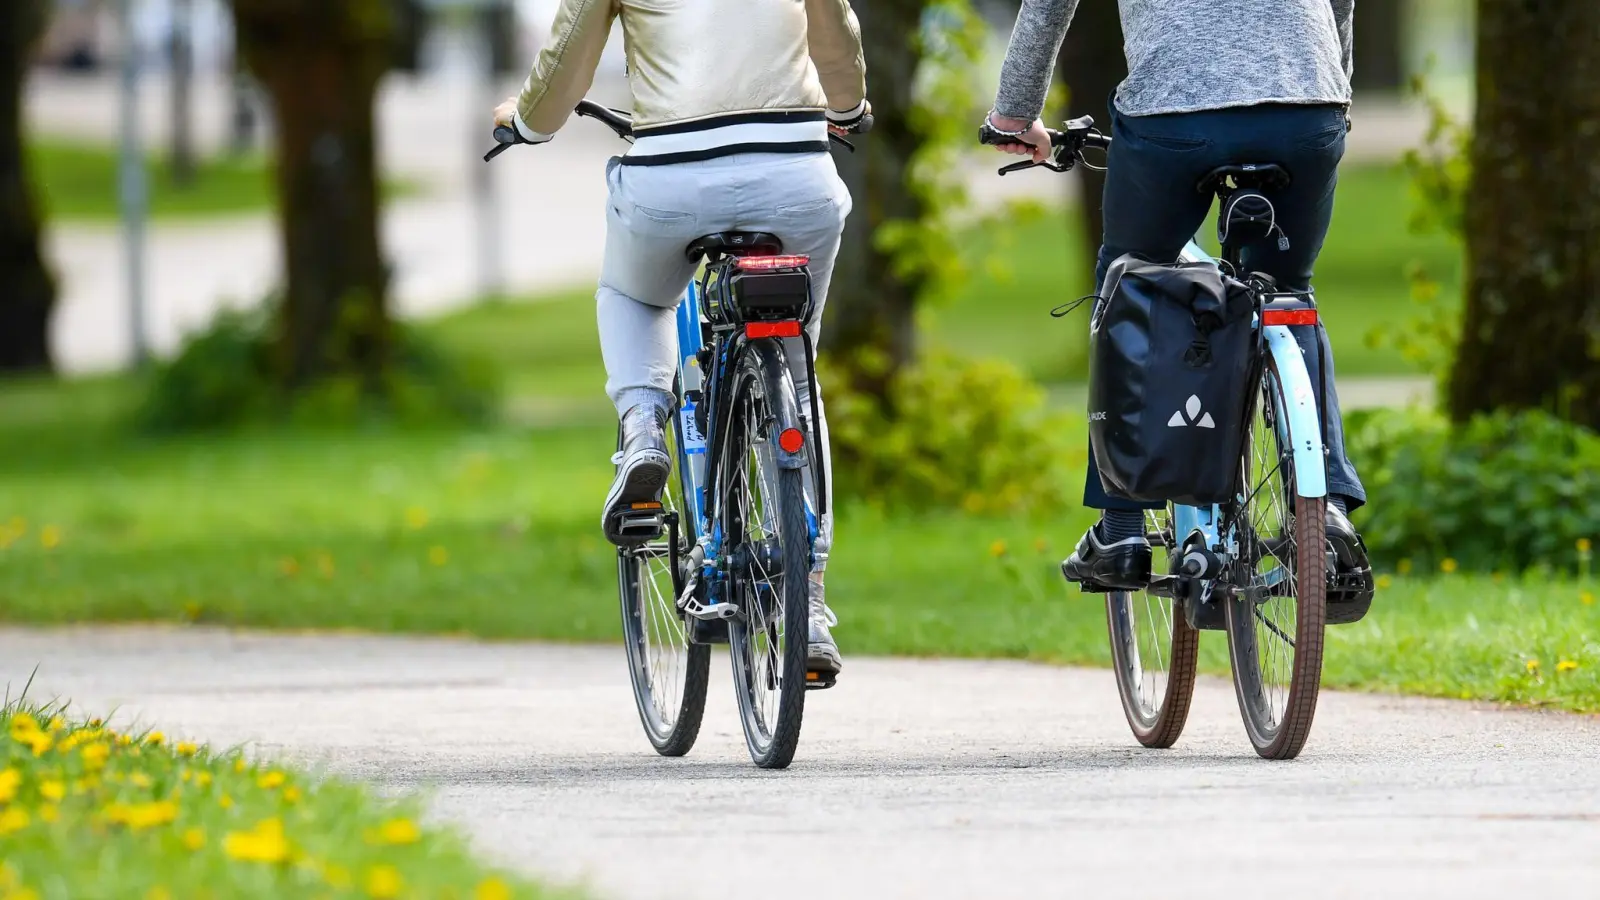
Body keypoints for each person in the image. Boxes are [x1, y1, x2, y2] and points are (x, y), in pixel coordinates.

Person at [494, 0, 871, 678]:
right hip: (794, 173)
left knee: (633, 294)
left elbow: (570, 51)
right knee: (795, 361)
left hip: (673, 175)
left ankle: (643, 429)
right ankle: (808, 604)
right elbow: (835, 33)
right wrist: (847, 107)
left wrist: (526, 122)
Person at [981, 0, 1372, 611]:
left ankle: (1122, 528)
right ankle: (1328, 513)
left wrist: (1016, 113)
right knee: (1289, 292)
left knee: (1128, 285)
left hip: (1175, 114)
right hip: (1306, 106)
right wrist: (1332, 86)